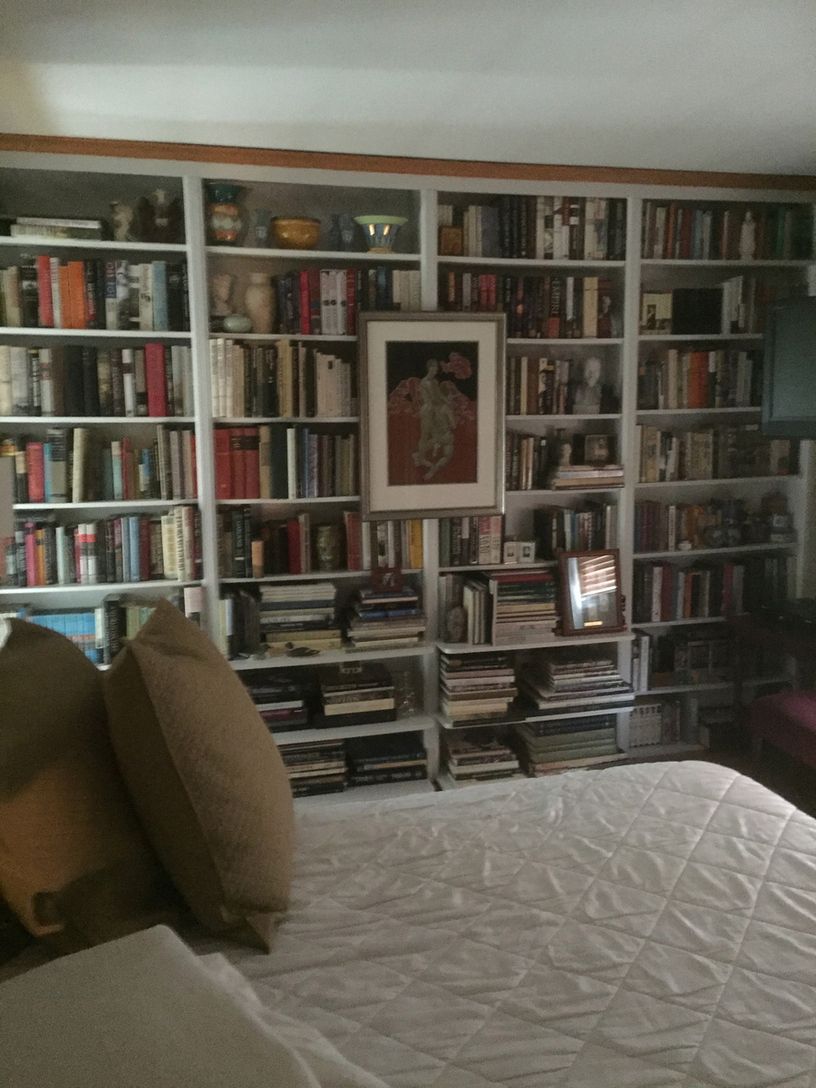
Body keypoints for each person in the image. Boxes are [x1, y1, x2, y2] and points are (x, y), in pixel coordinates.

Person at [412, 358, 455, 481]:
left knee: (436, 436)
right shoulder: (424, 382)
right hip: (428, 410)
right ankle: (420, 459)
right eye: (434, 368)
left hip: (435, 410)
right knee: (425, 436)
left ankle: (419, 456)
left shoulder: (435, 382)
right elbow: (430, 399)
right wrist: (443, 406)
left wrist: (447, 401)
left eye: (436, 368)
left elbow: (439, 395)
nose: (436, 370)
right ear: (429, 368)